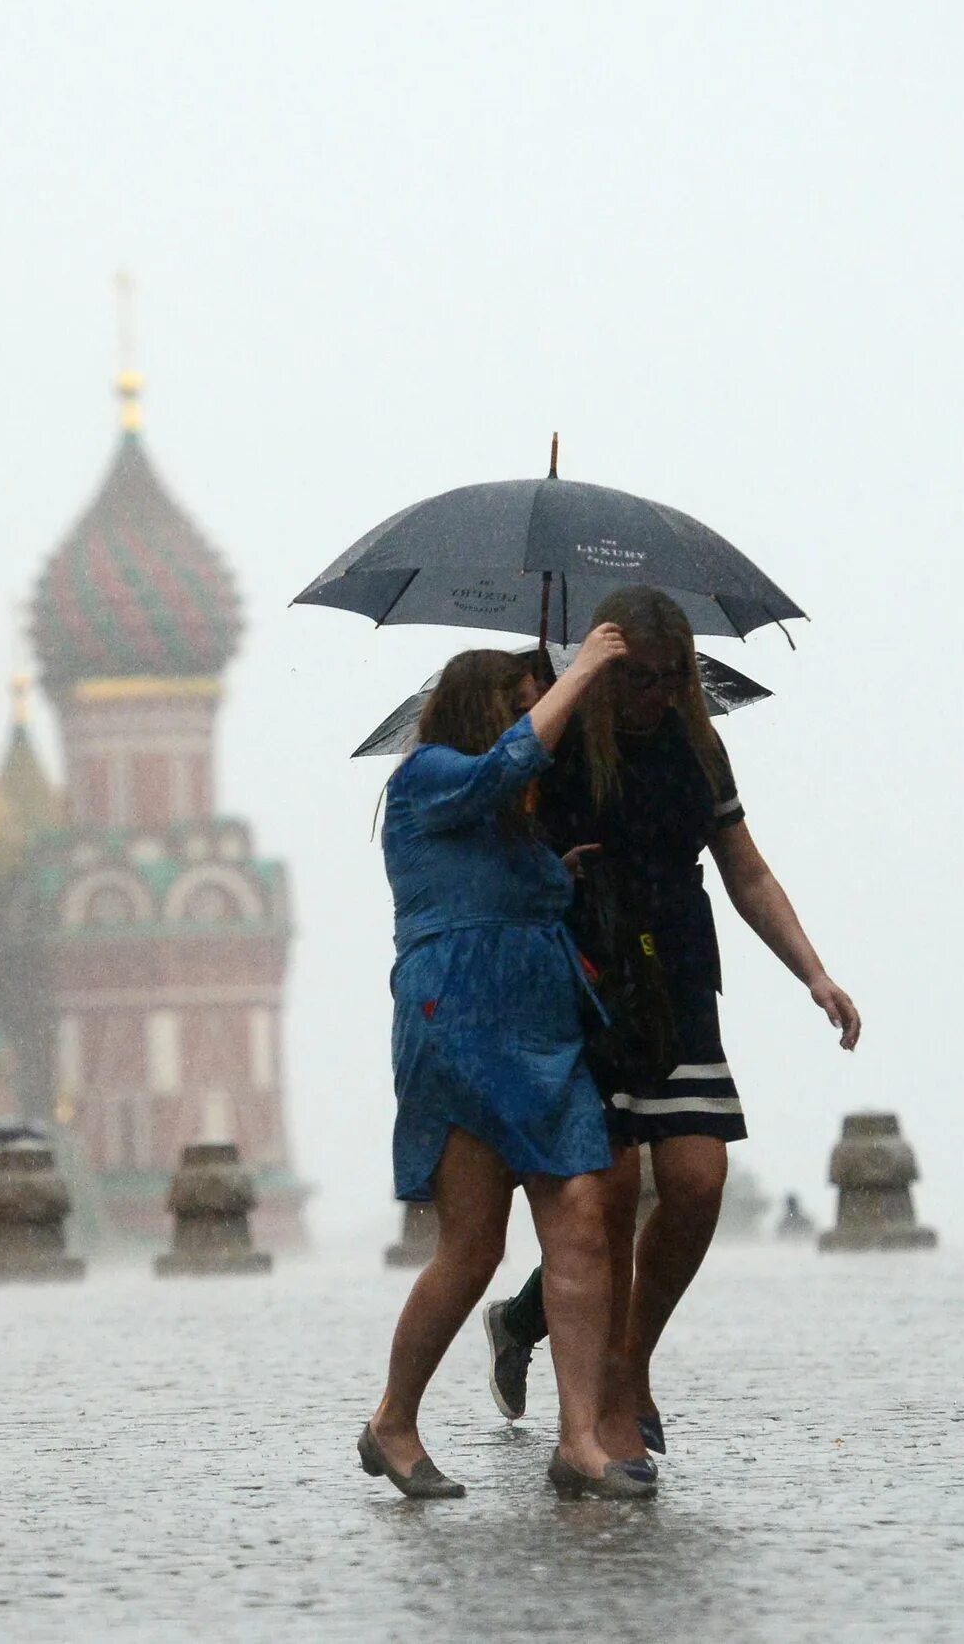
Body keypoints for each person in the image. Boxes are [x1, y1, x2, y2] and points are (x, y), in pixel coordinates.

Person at [482, 585, 862, 1459]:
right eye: (636, 677)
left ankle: (627, 1358)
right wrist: (550, 859)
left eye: (669, 677)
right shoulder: (559, 733)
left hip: (678, 976)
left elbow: (746, 869)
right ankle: (608, 1398)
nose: (653, 694)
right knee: (610, 1192)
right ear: (604, 669)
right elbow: (500, 847)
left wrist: (815, 972)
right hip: (584, 974)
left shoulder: (699, 745)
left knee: (695, 1181)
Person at [364, 627, 652, 1501]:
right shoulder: (426, 779)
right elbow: (504, 766)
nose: (535, 719)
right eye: (519, 702)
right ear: (481, 708)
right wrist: (589, 664)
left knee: (580, 1223)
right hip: (458, 1026)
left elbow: (514, 844)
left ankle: (578, 1438)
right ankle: (393, 1420)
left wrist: (548, 871)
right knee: (473, 1247)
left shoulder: (509, 821)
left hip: (542, 1031)